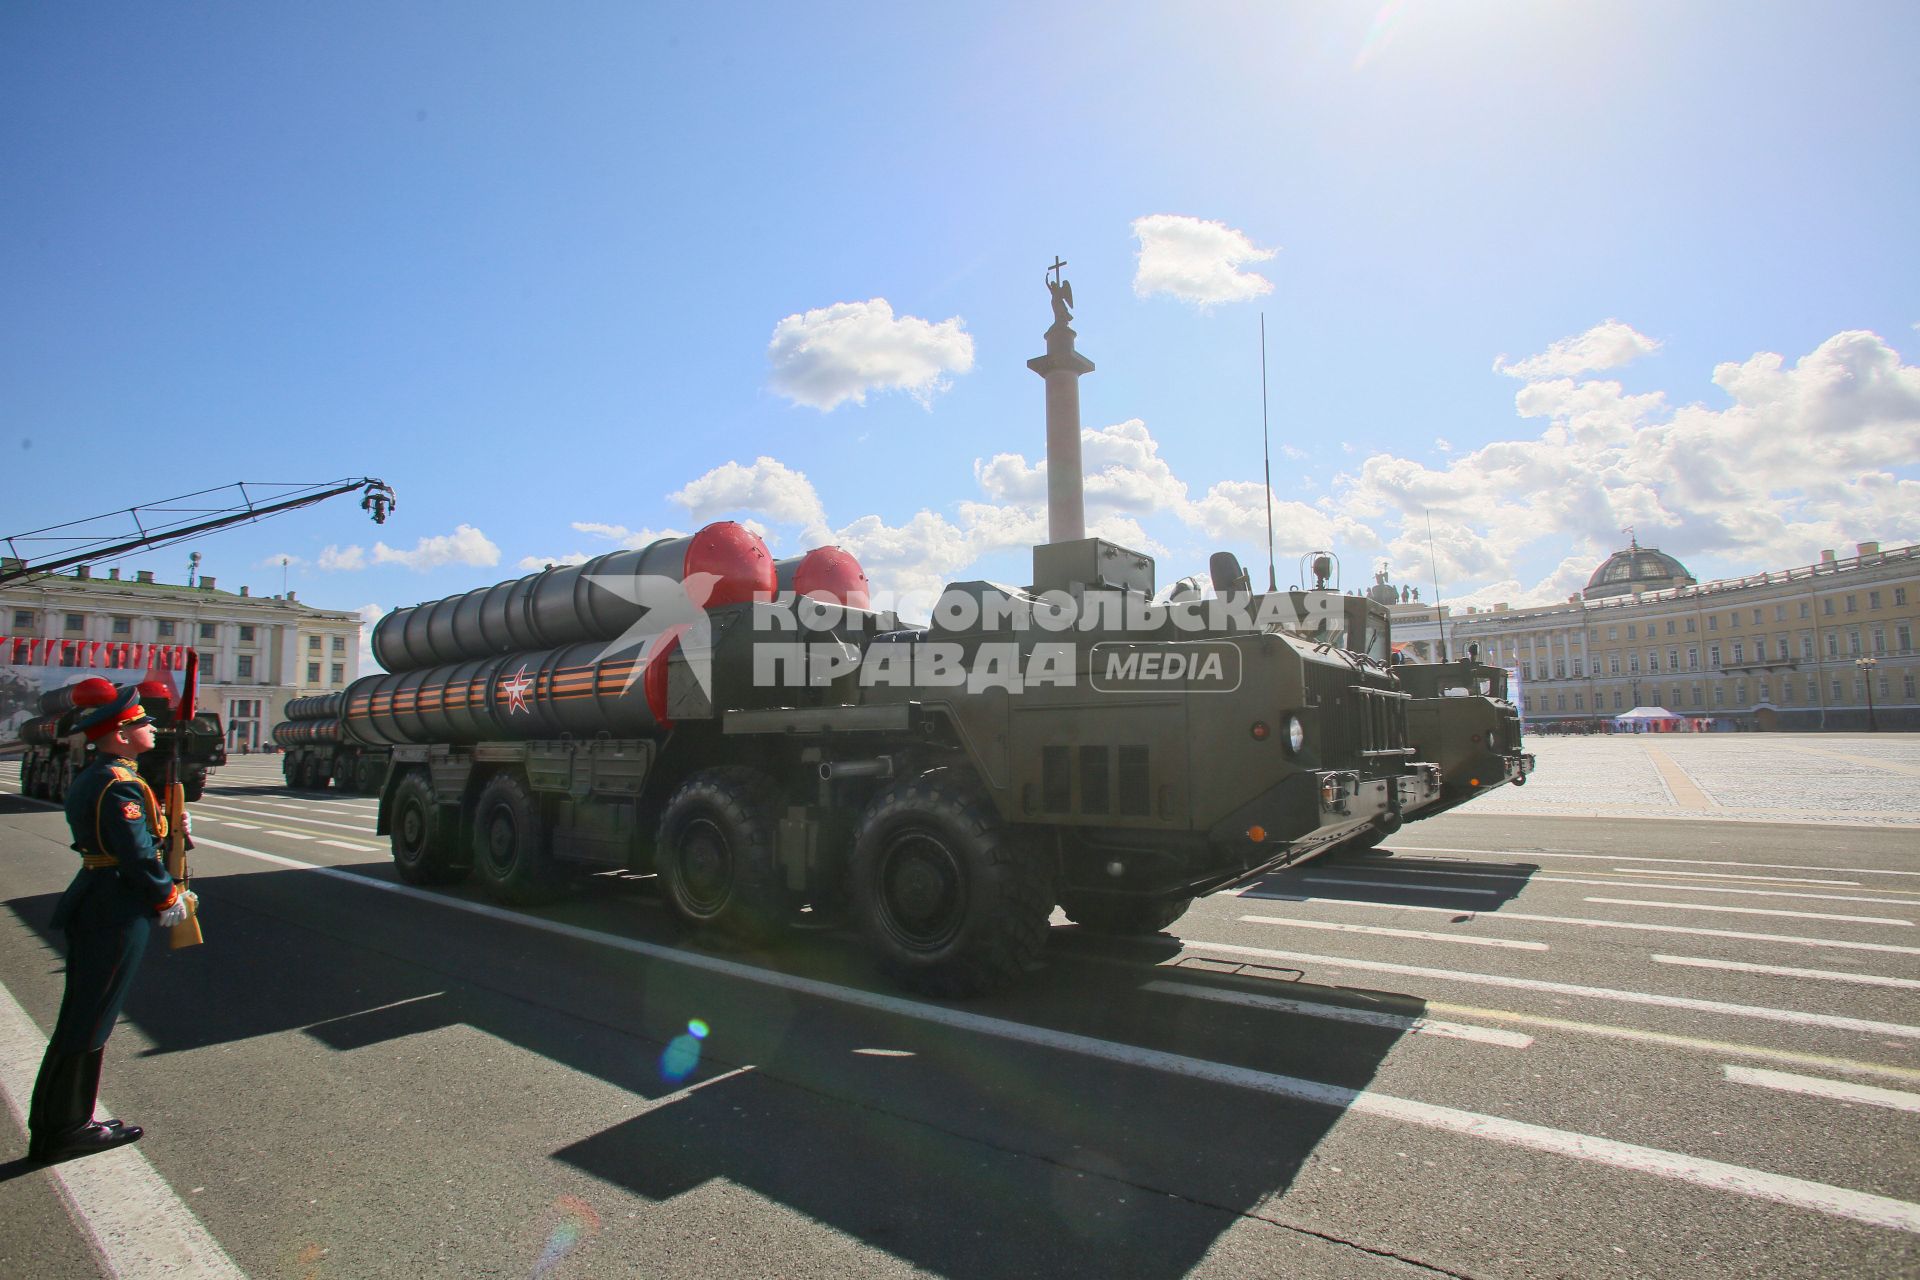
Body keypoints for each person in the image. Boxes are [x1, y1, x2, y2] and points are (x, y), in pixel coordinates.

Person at [26, 684, 192, 1163]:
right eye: (143, 722)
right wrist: (166, 896)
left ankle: (67, 1121)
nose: (152, 728)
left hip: (103, 899)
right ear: (120, 733)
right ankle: (65, 1128)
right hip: (114, 906)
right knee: (89, 1019)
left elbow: (138, 838)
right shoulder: (117, 783)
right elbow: (135, 854)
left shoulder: (105, 775)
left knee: (88, 1015)